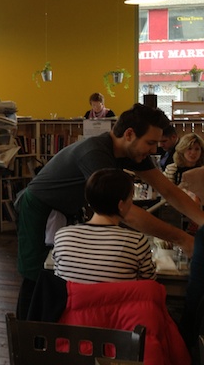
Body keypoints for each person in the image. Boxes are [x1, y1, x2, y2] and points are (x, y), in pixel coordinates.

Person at [15, 103, 203, 319]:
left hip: (65, 209)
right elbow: (125, 212)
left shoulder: (131, 152)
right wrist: (183, 239)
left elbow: (168, 190)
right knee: (35, 277)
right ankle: (24, 334)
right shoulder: (95, 152)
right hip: (39, 208)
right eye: (150, 143)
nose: (154, 150)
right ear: (129, 134)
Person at [53, 169, 156, 283]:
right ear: (121, 205)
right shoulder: (136, 243)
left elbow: (58, 278)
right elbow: (149, 285)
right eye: (131, 198)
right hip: (118, 295)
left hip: (71, 296)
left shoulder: (62, 236)